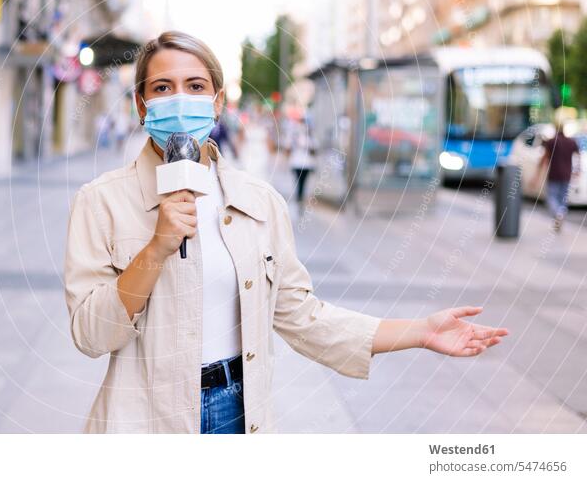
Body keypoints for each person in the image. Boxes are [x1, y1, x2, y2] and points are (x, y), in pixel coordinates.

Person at [63, 30, 508, 434]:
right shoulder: (101, 201)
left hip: (237, 413)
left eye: (195, 87)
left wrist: (419, 331)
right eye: (163, 88)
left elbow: (302, 316)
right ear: (142, 105)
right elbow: (90, 334)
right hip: (142, 419)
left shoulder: (259, 202)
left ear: (218, 102)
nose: (180, 100)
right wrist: (157, 248)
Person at [535, 119, 580, 232]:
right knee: (562, 198)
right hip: (567, 174)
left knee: (551, 197)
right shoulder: (571, 142)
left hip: (554, 174)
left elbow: (544, 158)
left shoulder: (551, 142)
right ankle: (560, 214)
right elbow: (578, 156)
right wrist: (577, 170)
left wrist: (537, 173)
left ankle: (558, 213)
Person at [285, 114, 317, 210]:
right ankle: (299, 195)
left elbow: (314, 150)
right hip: (296, 163)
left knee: (303, 181)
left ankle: (300, 195)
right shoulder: (294, 135)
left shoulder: (310, 137)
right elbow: (288, 149)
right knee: (298, 180)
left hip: (307, 164)